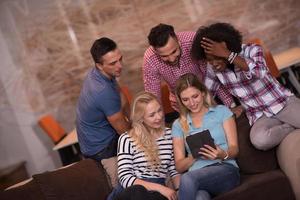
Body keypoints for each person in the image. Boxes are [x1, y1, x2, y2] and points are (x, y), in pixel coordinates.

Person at [191, 22, 300, 150]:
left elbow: (259, 72)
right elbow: (206, 92)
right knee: (260, 141)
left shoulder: (253, 50)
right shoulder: (213, 68)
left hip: (282, 103)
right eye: (209, 59)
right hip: (259, 114)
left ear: (227, 47)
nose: (213, 63)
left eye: (216, 57)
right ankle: (291, 125)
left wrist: (228, 55)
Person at [143, 23, 239, 117]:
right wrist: (159, 127)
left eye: (174, 51)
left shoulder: (193, 41)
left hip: (210, 93)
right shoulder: (150, 59)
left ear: (178, 41)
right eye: (164, 56)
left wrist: (230, 105)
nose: (171, 59)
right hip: (182, 105)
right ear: (155, 51)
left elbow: (213, 73)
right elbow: (153, 97)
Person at [172, 73, 240, 200]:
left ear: (203, 92)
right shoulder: (178, 124)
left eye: (195, 96)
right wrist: (194, 156)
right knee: (199, 198)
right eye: (185, 99)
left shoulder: (222, 111)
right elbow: (179, 166)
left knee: (187, 178)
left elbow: (234, 149)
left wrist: (222, 154)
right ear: (180, 100)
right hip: (197, 177)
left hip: (225, 170)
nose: (192, 103)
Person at [76, 37, 130, 188]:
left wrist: (134, 119)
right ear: (99, 65)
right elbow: (123, 131)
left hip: (100, 136)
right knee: (124, 183)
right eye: (113, 63)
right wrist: (139, 134)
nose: (120, 66)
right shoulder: (102, 90)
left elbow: (121, 95)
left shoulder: (104, 74)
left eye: (120, 59)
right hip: (100, 147)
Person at [110, 92, 180, 200]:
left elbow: (173, 169)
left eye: (159, 110)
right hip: (131, 191)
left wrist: (179, 191)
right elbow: (125, 177)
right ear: (141, 118)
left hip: (156, 193)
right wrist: (160, 188)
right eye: (152, 115)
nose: (159, 117)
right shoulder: (127, 138)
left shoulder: (169, 134)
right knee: (138, 191)